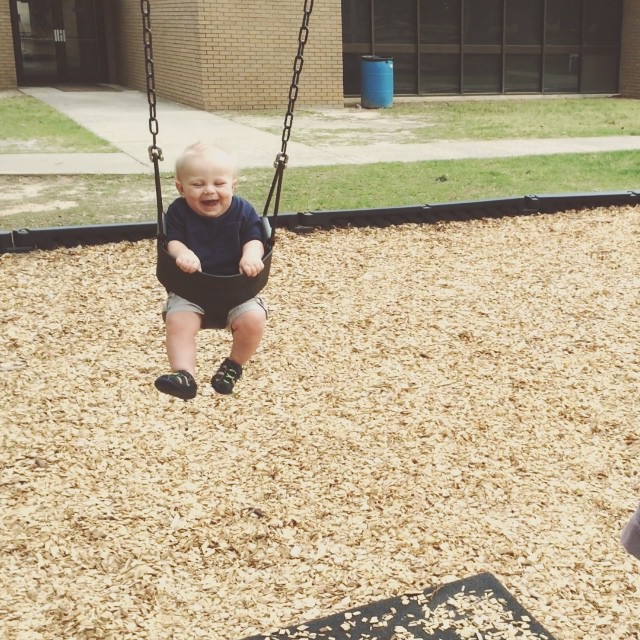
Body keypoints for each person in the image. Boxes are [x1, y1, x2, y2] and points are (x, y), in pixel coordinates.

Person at [154, 142, 267, 399]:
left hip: (238, 288)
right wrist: (183, 253)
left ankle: (233, 366)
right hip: (190, 288)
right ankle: (183, 375)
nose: (209, 191)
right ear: (180, 188)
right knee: (178, 321)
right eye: (197, 184)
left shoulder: (244, 209)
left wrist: (251, 255)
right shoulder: (178, 211)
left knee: (254, 319)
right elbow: (172, 240)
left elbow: (255, 237)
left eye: (218, 183)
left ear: (232, 185)